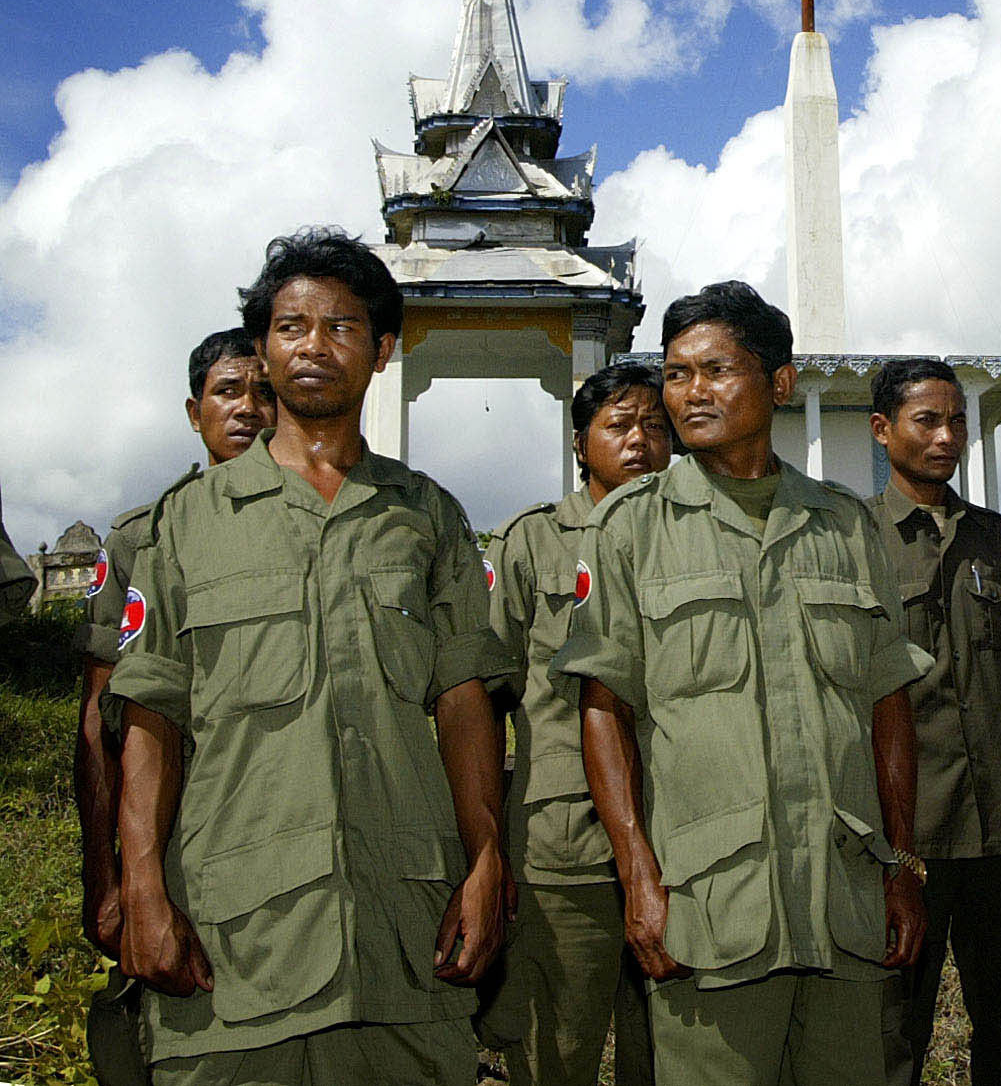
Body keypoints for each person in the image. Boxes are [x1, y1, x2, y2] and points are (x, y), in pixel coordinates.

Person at [106, 228, 511, 1083]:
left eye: (342, 327)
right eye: (291, 327)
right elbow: (152, 716)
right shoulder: (187, 522)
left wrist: (484, 865)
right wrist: (140, 884)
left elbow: (464, 702)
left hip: (403, 932)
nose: (314, 347)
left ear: (383, 349)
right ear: (262, 350)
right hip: (234, 942)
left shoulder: (428, 516)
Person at [553, 280, 929, 1086]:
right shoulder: (631, 528)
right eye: (677, 374)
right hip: (710, 913)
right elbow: (604, 712)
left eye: (716, 370)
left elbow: (887, 706)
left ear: (779, 383)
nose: (690, 393)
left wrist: (900, 865)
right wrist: (639, 881)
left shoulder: (844, 526)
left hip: (843, 904)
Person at [74, 330, 274, 1086]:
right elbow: (99, 724)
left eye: (265, 393)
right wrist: (110, 876)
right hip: (170, 836)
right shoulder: (142, 537)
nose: (249, 410)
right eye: (229, 392)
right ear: (195, 412)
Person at [477, 362, 672, 1086]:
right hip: (564, 840)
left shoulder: (688, 538)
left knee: (671, 1050)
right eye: (619, 426)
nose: (640, 442)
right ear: (579, 443)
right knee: (559, 1046)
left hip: (679, 828)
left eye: (656, 427)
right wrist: (490, 844)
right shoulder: (530, 543)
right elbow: (488, 693)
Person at [867, 357, 1001, 1086]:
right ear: (883, 430)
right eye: (927, 421)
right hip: (903, 833)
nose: (946, 437)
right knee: (892, 1035)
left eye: (957, 422)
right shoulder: (853, 539)